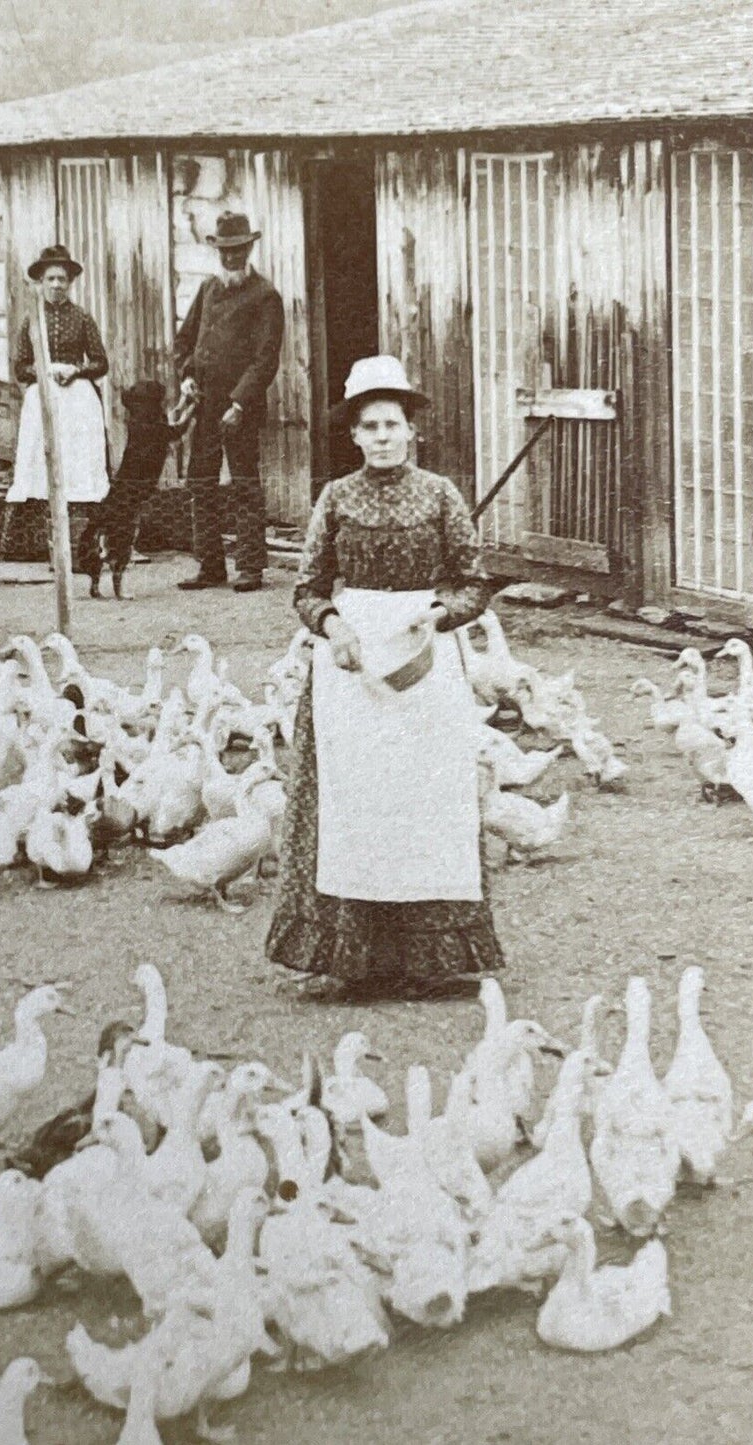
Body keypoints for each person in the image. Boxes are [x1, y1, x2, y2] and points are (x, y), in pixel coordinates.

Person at [266, 354, 505, 1002]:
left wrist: (439, 611)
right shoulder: (336, 497)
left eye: (391, 423)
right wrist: (335, 629)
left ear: (410, 429)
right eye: (368, 425)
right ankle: (353, 959)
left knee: (423, 803)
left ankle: (428, 959)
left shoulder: (439, 495)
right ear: (353, 434)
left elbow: (474, 581)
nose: (381, 435)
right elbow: (308, 588)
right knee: (355, 804)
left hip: (423, 668)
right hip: (352, 670)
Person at [173, 210, 284, 595]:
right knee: (200, 484)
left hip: (240, 408)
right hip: (203, 405)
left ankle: (250, 567)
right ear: (217, 252)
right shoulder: (207, 290)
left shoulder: (265, 296)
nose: (232, 258)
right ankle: (209, 565)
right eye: (225, 251)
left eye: (238, 250)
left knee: (244, 485)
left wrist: (238, 404)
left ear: (250, 248)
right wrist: (187, 376)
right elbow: (184, 341)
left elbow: (265, 358)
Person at [1, 243, 110, 562]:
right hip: (43, 399)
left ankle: (84, 542)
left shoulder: (83, 318)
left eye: (62, 279)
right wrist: (45, 371)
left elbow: (101, 362)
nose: (56, 285)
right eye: (50, 279)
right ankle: (33, 544)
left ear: (70, 283)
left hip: (77, 402)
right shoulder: (31, 320)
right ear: (41, 282)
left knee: (79, 459)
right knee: (39, 457)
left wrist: (76, 370)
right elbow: (20, 367)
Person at [74, 380, 196, 599]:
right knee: (123, 537)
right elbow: (176, 430)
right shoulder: (150, 425)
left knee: (107, 532)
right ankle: (118, 589)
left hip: (122, 491)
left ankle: (95, 583)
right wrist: (193, 408)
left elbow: (169, 419)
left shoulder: (140, 421)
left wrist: (183, 404)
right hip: (133, 494)